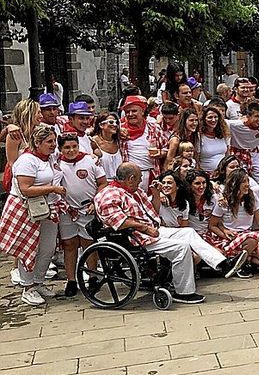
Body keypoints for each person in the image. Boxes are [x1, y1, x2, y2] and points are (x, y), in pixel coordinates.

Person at [95, 163, 247, 304]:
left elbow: (153, 211)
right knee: (181, 247)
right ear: (131, 179)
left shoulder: (135, 191)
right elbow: (120, 222)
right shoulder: (109, 195)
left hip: (153, 230)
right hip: (137, 238)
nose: (141, 182)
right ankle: (184, 292)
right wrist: (146, 228)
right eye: (139, 179)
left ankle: (223, 264)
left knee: (188, 232)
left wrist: (155, 194)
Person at [0, 126, 64, 305]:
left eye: (54, 141)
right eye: (49, 142)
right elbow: (25, 189)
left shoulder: (50, 157)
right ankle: (27, 287)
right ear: (38, 143)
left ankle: (38, 281)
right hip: (26, 210)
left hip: (46, 207)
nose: (53, 145)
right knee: (28, 248)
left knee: (48, 247)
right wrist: (53, 188)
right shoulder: (26, 160)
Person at [57, 132, 107, 297]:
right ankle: (71, 280)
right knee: (69, 245)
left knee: (89, 244)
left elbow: (102, 183)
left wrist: (95, 202)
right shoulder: (56, 164)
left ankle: (92, 276)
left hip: (87, 210)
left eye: (74, 146)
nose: (71, 150)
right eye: (66, 147)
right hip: (67, 211)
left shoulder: (89, 161)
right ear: (60, 149)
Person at [120, 95, 163, 191]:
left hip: (152, 174)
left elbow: (166, 147)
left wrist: (161, 153)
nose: (130, 114)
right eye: (127, 112)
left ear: (142, 111)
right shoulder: (119, 129)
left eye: (134, 111)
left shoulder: (154, 128)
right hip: (129, 177)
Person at [91, 112, 124, 181]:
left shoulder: (120, 142)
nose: (115, 125)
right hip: (102, 185)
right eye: (111, 122)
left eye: (116, 123)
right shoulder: (92, 142)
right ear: (101, 125)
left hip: (120, 185)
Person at [198, 106, 229, 174]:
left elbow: (227, 155)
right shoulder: (199, 136)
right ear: (204, 119)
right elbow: (196, 158)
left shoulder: (224, 134)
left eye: (215, 117)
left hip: (223, 172)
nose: (213, 120)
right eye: (210, 117)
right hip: (206, 173)